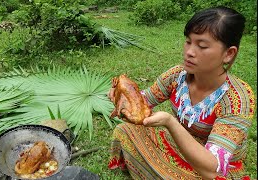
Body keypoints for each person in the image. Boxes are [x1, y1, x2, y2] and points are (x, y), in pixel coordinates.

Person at [108, 6, 256, 180]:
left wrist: (171, 123)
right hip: (179, 144)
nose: (189, 52)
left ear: (228, 54)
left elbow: (214, 166)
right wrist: (122, 96)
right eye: (188, 42)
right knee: (125, 130)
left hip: (212, 168)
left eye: (202, 46)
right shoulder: (177, 76)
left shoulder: (237, 99)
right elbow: (144, 101)